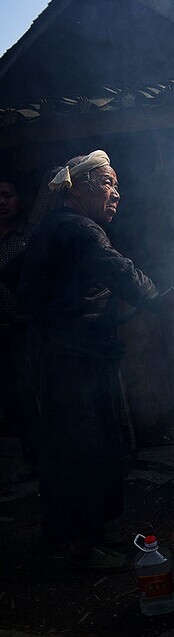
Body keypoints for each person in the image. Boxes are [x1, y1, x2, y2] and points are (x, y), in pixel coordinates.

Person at [18, 150, 166, 572]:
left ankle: (89, 533)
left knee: (87, 446)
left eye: (117, 185)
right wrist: (159, 298)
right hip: (73, 362)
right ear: (79, 188)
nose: (116, 194)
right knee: (80, 450)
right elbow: (122, 273)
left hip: (69, 357)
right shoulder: (80, 229)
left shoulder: (58, 227)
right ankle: (81, 546)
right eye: (107, 184)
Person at [0, 175, 39, 483]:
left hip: (27, 329)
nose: (1, 201)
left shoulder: (32, 236)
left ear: (20, 200)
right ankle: (28, 455)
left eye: (7, 195)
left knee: (33, 395)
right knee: (11, 397)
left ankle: (42, 459)